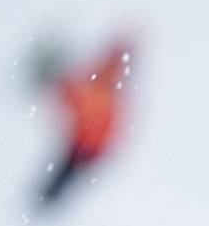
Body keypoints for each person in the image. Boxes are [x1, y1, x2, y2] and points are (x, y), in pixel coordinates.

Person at [30, 36, 133, 213]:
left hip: (85, 143)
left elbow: (82, 102)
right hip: (85, 143)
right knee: (64, 173)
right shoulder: (106, 85)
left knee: (64, 173)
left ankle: (46, 201)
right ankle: (45, 201)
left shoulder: (104, 86)